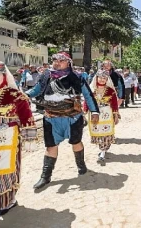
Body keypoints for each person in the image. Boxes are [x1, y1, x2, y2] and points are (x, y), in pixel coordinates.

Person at [26, 52, 100, 190]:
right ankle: (45, 176)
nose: (57, 62)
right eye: (54, 60)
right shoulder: (46, 75)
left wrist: (94, 111)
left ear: (68, 62)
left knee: (76, 142)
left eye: (61, 60)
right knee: (50, 146)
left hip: (73, 117)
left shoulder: (77, 77)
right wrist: (25, 95)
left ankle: (81, 165)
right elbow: (36, 90)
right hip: (51, 118)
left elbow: (88, 95)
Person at [0, 61, 37, 227]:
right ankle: (9, 200)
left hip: (6, 143)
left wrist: (29, 137)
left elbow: (27, 116)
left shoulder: (15, 95)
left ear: (4, 76)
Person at [84, 70, 119, 165]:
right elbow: (87, 101)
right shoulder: (91, 89)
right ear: (96, 78)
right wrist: (84, 112)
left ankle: (103, 152)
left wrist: (116, 115)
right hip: (95, 114)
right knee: (98, 132)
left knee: (106, 133)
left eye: (105, 78)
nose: (103, 80)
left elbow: (114, 104)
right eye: (101, 77)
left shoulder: (110, 90)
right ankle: (102, 148)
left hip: (107, 115)